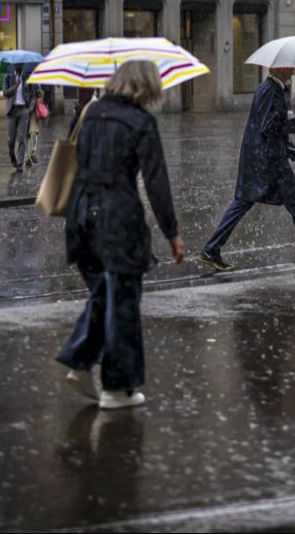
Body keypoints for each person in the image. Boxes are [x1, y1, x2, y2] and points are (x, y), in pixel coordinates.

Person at [55, 61, 186, 411]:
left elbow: (76, 158)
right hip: (118, 219)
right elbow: (156, 183)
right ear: (147, 88)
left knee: (102, 294)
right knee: (123, 300)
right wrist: (171, 233)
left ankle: (80, 360)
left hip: (80, 215)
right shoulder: (142, 122)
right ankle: (118, 387)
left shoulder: (90, 113)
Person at [198, 67, 295, 271]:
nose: (292, 70)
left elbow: (272, 129)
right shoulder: (270, 91)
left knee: (243, 202)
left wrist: (294, 152)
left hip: (262, 159)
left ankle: (211, 249)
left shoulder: (274, 89)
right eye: (288, 66)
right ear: (278, 69)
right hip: (269, 162)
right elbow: (268, 128)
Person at [2, 62, 37, 172]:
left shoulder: (27, 78)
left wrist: (29, 109)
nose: (19, 67)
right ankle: (13, 157)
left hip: (23, 111)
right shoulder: (8, 77)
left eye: (21, 65)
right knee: (10, 140)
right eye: (17, 65)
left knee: (22, 138)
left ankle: (20, 164)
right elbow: (5, 93)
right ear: (13, 66)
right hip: (12, 111)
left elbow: (33, 96)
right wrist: (15, 86)